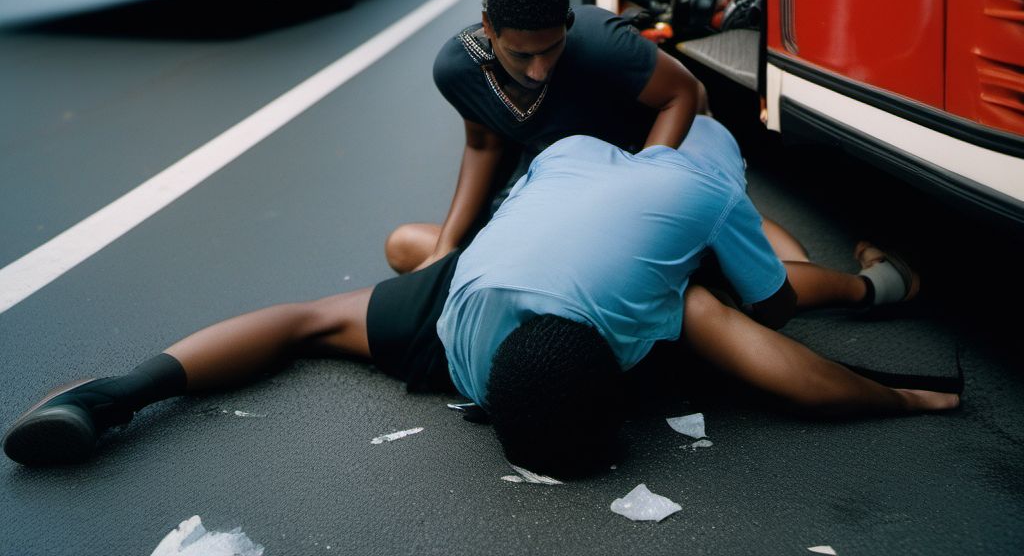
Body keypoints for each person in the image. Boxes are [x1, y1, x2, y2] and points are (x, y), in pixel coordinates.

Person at [2, 117, 956, 475]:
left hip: (491, 268)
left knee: (769, 282)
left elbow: (289, 321)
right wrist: (903, 394)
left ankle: (109, 396)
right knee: (746, 300)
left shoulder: (680, 178)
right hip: (512, 262)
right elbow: (793, 375)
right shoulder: (657, 298)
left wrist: (903, 392)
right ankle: (883, 281)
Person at [385, 0, 710, 274]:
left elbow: (685, 93)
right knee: (401, 247)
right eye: (521, 55)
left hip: (629, 159)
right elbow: (483, 144)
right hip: (549, 179)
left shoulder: (602, 43)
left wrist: (638, 189)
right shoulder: (459, 70)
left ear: (566, 25)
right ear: (488, 26)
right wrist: (445, 248)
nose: (538, 71)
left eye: (551, 48)